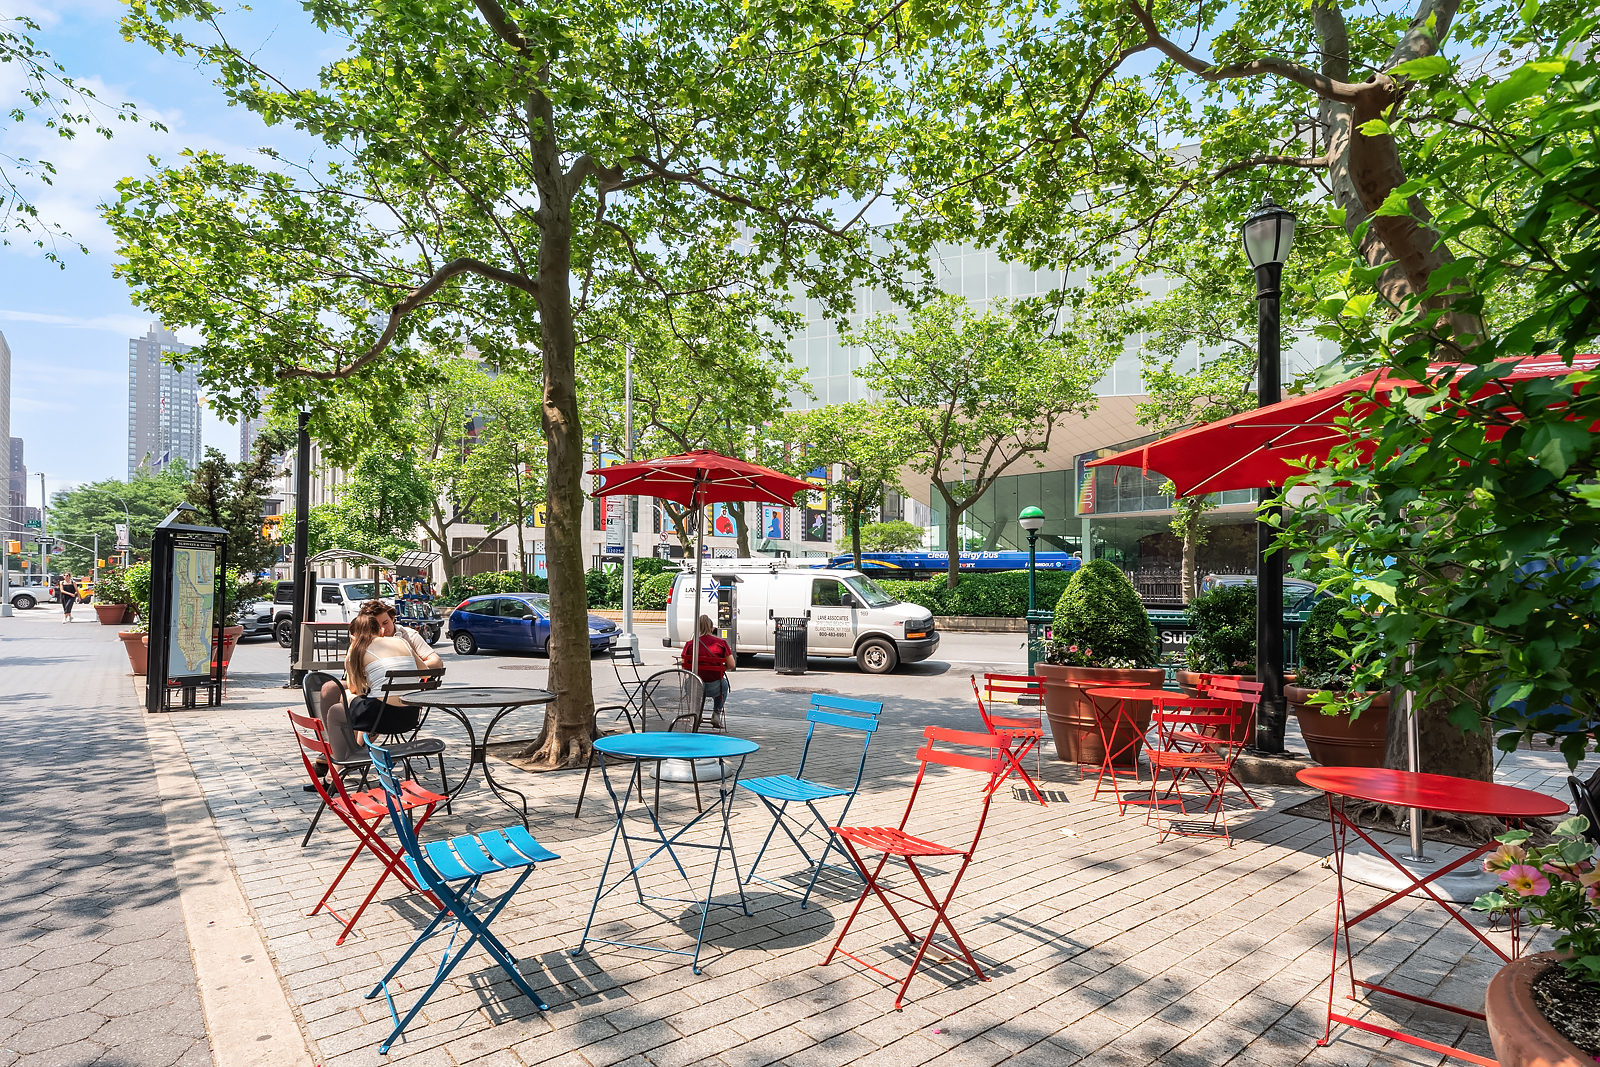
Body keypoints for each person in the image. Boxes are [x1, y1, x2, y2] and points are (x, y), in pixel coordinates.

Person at [306, 600, 442, 790]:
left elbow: (355, 688)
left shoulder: (358, 648)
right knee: (348, 699)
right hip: (410, 716)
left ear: (354, 636)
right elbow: (426, 673)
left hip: (380, 717)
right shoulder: (401, 641)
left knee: (338, 711)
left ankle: (342, 761)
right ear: (377, 630)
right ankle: (343, 759)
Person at [679, 614, 733, 728]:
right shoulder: (721, 643)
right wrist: (721, 668)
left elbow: (685, 669)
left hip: (694, 688)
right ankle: (716, 713)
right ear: (712, 628)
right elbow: (732, 664)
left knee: (688, 682)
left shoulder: (690, 645)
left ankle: (696, 713)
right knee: (724, 684)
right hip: (715, 687)